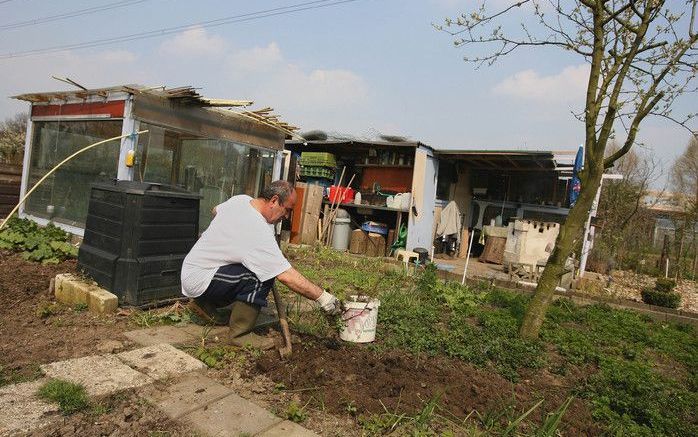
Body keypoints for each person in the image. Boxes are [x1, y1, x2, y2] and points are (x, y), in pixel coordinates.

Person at [181, 180, 341, 348]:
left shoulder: (241, 200)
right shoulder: (256, 230)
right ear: (274, 201)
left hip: (194, 270)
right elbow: (286, 276)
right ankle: (240, 335)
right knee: (260, 277)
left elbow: (216, 210)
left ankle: (205, 306)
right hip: (202, 278)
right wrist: (323, 297)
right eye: (287, 210)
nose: (286, 216)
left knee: (253, 269)